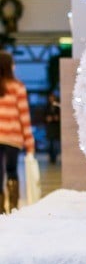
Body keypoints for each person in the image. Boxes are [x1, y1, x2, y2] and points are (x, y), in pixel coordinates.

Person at [0, 50, 35, 213]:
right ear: (9, 66)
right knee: (12, 170)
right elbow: (24, 117)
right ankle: (13, 208)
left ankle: (1, 210)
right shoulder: (17, 87)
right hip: (13, 138)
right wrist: (29, 142)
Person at [44, 91, 61, 165]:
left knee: (55, 145)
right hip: (49, 129)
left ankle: (54, 158)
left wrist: (55, 118)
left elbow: (59, 117)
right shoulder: (46, 107)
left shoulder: (58, 106)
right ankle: (51, 158)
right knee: (49, 145)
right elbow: (44, 117)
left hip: (56, 129)